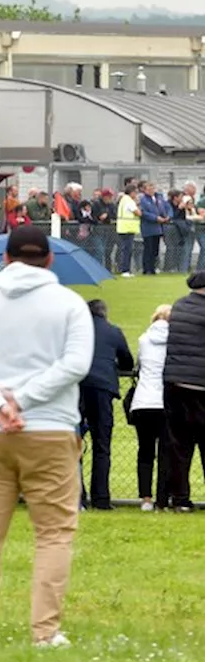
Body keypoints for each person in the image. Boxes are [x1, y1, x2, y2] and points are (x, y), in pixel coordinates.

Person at [0, 225, 94, 647]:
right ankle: (45, 631)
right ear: (49, 260)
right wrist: (23, 401)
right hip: (49, 426)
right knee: (53, 532)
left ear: (5, 260)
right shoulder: (69, 303)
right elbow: (75, 364)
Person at [78, 299, 133, 510]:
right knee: (102, 445)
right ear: (104, 314)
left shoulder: (76, 331)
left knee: (73, 444)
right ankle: (101, 498)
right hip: (102, 388)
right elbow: (127, 360)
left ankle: (78, 498)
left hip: (77, 386)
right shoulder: (113, 331)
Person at [161, 271, 205, 512]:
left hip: (176, 384)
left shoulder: (179, 306)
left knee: (179, 446)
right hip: (201, 383)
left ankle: (180, 499)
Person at [128, 304, 171, 512]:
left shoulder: (143, 340)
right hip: (164, 402)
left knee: (144, 452)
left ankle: (146, 498)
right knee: (165, 452)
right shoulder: (174, 342)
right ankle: (163, 498)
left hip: (142, 401)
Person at [138, 181, 169, 276]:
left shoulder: (158, 198)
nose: (151, 190)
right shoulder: (143, 200)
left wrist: (166, 216)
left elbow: (165, 208)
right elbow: (143, 213)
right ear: (145, 190)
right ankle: (146, 269)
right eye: (149, 189)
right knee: (148, 249)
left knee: (155, 249)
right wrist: (155, 218)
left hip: (158, 228)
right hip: (148, 228)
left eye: (152, 188)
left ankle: (153, 268)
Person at [115, 182, 141, 278]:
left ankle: (125, 269)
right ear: (132, 192)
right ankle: (125, 270)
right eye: (136, 192)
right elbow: (138, 212)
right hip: (128, 228)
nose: (136, 195)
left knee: (125, 249)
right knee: (127, 250)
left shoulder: (123, 200)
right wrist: (137, 204)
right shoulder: (129, 201)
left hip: (123, 228)